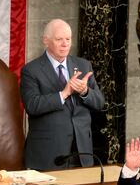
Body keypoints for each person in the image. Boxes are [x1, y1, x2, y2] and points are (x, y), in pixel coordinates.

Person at [20, 19, 105, 170]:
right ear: (46, 41)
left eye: (68, 39)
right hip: (48, 153)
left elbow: (99, 102)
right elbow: (32, 105)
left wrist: (85, 92)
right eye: (59, 39)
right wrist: (63, 94)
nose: (65, 44)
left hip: (81, 152)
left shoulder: (84, 65)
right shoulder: (31, 70)